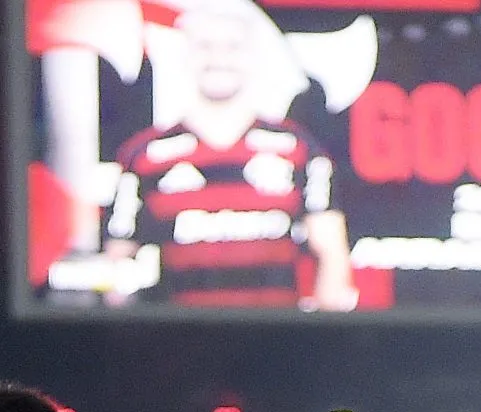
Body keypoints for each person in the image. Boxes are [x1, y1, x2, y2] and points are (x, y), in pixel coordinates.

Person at [103, 0, 357, 310]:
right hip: (174, 349)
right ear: (186, 55)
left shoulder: (300, 150)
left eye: (232, 46)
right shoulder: (142, 156)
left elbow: (332, 254)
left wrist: (321, 346)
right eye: (205, 46)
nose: (218, 58)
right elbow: (117, 266)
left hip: (276, 348)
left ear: (252, 57)